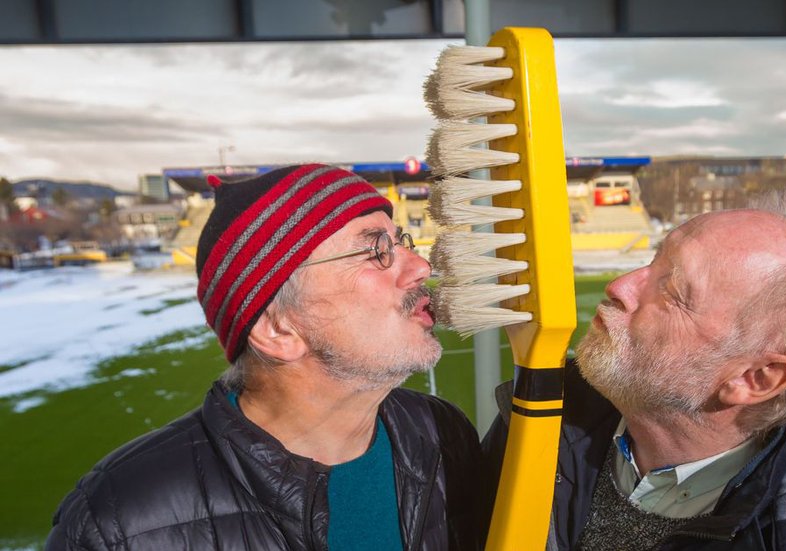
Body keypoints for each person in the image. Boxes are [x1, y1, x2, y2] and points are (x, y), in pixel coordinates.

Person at [48, 164, 481, 550]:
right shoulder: (117, 524)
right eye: (375, 250)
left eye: (400, 241)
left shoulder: (443, 433)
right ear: (277, 329)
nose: (420, 266)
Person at [483, 199, 786, 550]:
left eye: (673, 290)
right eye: (652, 262)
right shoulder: (537, 421)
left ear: (755, 379)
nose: (620, 286)